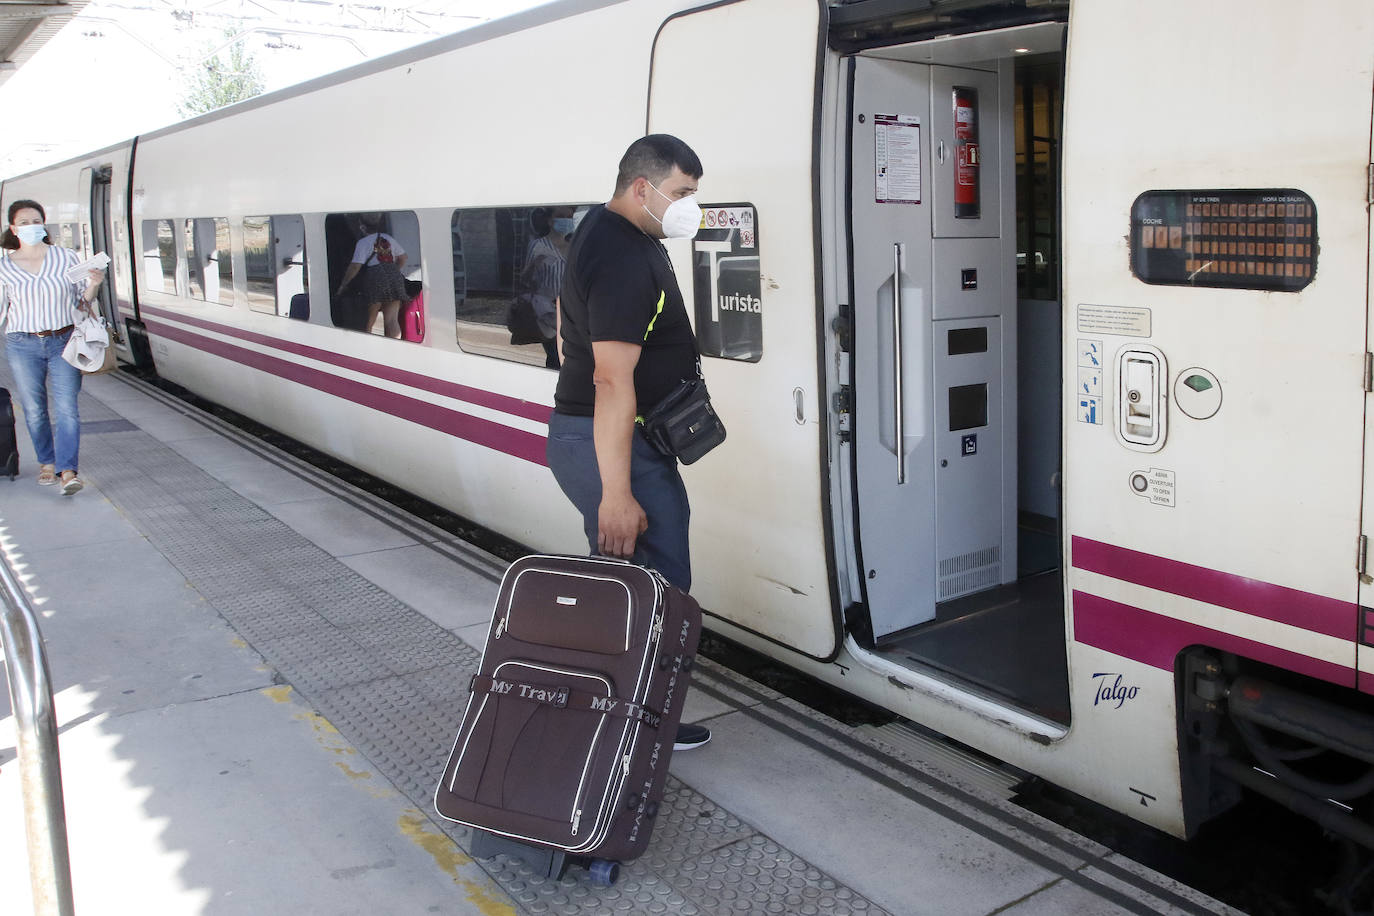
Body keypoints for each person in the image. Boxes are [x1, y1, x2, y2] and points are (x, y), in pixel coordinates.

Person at [546, 134, 710, 751]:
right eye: (683, 193)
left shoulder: (606, 230)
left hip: (605, 439)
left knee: (626, 583)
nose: (689, 206)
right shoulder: (621, 256)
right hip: (612, 445)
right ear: (643, 188)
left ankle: (618, 720)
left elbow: (567, 333)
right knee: (656, 585)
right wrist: (616, 492)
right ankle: (635, 731)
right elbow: (611, 379)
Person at [0, 199, 104, 495]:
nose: (31, 227)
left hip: (64, 340)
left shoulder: (66, 257)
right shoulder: (4, 267)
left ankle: (68, 471)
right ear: (13, 228)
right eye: (24, 222)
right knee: (34, 410)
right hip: (22, 344)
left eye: (36, 221)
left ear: (43, 225)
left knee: (68, 409)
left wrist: (94, 284)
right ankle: (46, 461)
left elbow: (82, 301)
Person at [519, 206, 573, 368]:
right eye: (561, 216)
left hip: (573, 315)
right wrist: (534, 265)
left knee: (572, 359)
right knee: (556, 359)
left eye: (569, 217)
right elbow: (525, 281)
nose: (566, 221)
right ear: (550, 220)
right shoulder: (538, 246)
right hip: (548, 315)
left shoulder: (575, 245)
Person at [336, 215, 408, 337]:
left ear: (362, 227)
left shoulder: (363, 243)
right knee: (391, 320)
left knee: (370, 319)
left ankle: (367, 346)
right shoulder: (388, 238)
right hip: (394, 277)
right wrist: (394, 270)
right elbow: (403, 257)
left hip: (375, 278)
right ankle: (394, 348)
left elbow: (355, 267)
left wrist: (343, 285)